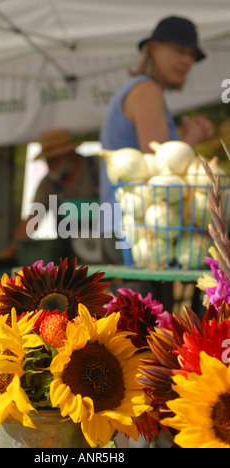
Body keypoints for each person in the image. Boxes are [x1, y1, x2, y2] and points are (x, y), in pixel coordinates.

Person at [99, 16, 214, 309]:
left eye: (192, 55)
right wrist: (191, 136)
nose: (187, 61)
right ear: (153, 48)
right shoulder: (146, 90)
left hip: (129, 229)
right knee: (143, 333)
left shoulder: (142, 90)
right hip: (135, 232)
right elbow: (161, 169)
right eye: (179, 50)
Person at [0, 128, 99, 258]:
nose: (49, 166)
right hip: (71, 258)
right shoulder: (49, 182)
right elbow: (33, 219)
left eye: (53, 160)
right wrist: (11, 251)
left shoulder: (98, 167)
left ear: (69, 154)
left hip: (106, 252)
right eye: (47, 161)